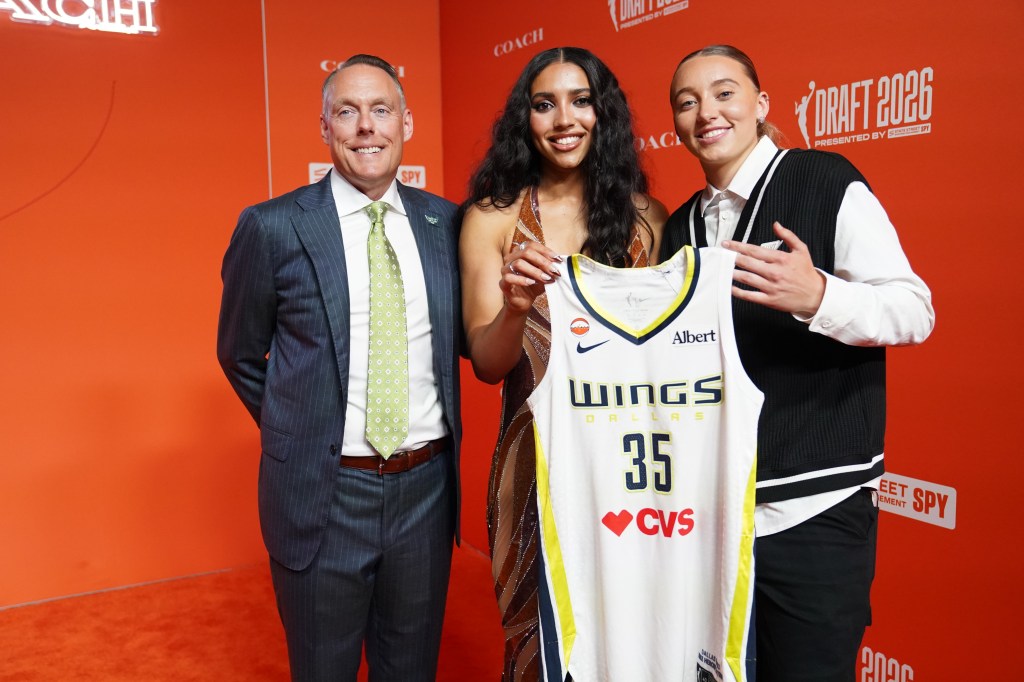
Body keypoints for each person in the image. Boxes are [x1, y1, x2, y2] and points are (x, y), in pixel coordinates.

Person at [662, 45, 935, 682]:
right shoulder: (681, 230)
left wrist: (820, 297)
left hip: (816, 511)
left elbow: (914, 309)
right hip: (711, 522)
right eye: (687, 101)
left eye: (724, 93)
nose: (707, 112)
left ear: (761, 106)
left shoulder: (824, 178)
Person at [217, 54, 461, 681]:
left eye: (380, 111)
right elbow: (239, 354)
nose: (365, 128)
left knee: (410, 670)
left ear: (406, 122)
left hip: (425, 493)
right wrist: (301, 428)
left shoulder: (448, 225)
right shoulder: (272, 227)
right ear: (324, 127)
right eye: (346, 113)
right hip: (322, 497)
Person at [459, 46, 667, 681]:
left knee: (628, 641)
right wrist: (517, 308)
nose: (563, 118)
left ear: (603, 114)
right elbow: (489, 365)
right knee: (536, 649)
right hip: (533, 468)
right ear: (525, 120)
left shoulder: (645, 220)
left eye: (581, 101)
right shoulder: (492, 220)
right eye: (544, 104)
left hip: (630, 464)